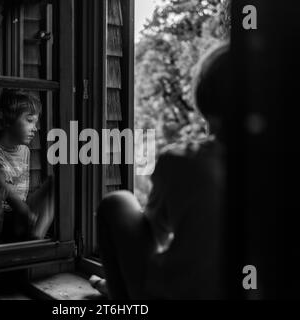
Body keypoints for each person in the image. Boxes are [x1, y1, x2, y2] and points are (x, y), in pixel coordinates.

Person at [93, 43, 230, 299]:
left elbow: (154, 234)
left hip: (178, 294)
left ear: (205, 97)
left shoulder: (182, 160)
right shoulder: (285, 168)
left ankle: (119, 296)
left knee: (117, 202)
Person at [0, 90, 53, 244]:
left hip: (22, 212)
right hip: (3, 216)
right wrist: (24, 211)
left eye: (35, 122)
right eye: (29, 120)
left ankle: (37, 235)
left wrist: (27, 210)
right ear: (8, 121)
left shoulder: (25, 151)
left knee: (56, 182)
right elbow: (0, 184)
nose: (35, 128)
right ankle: (33, 237)